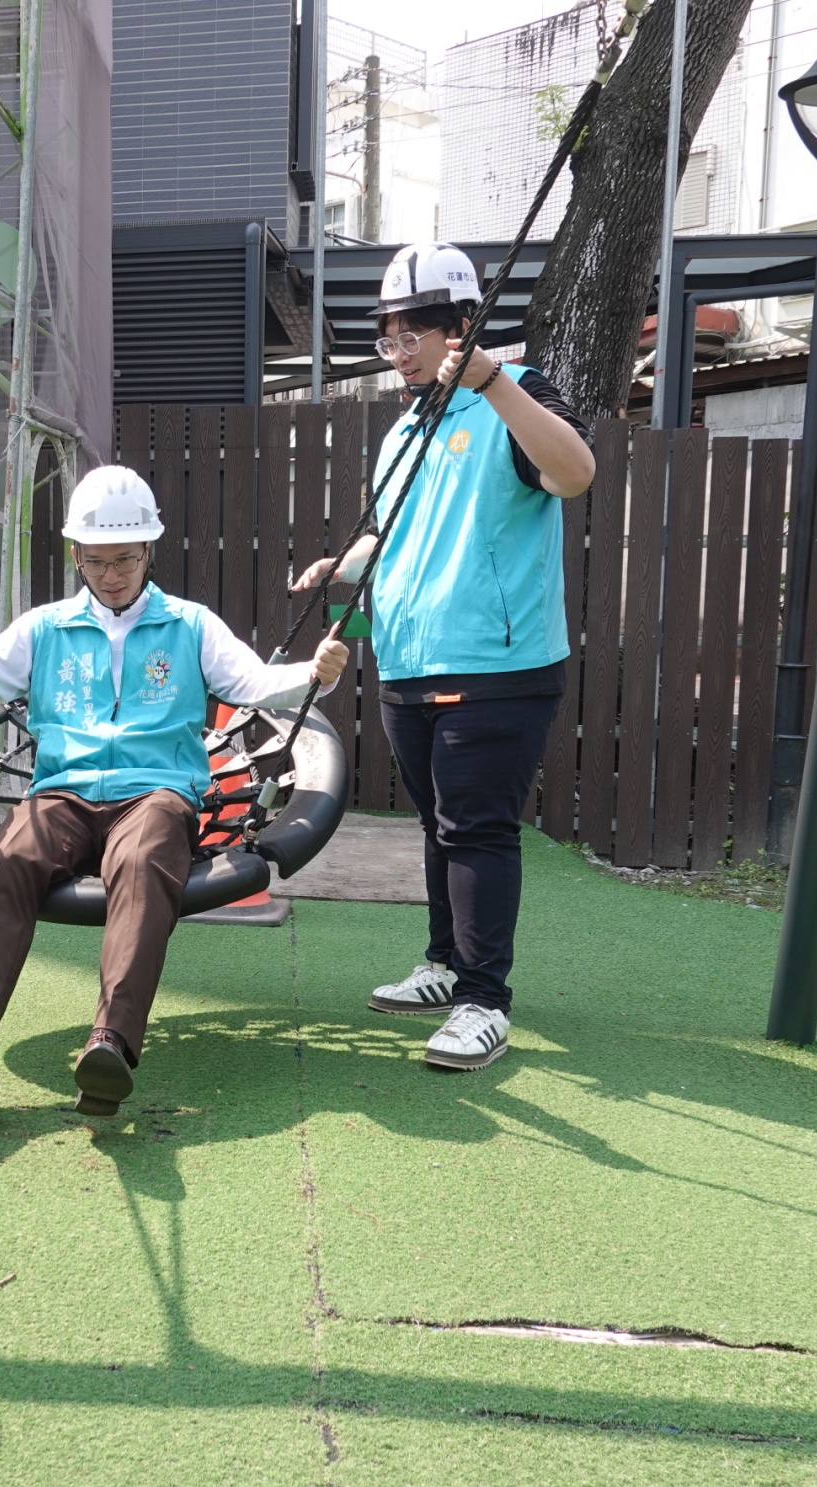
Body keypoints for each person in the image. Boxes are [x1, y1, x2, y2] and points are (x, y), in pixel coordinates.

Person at [0, 466, 349, 1115]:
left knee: (144, 859)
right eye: (96, 561)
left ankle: (110, 1045)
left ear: (149, 550)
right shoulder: (45, 628)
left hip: (156, 793)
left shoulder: (191, 625)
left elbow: (255, 684)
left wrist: (315, 673)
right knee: (6, 860)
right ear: (76, 557)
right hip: (62, 794)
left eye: (125, 559)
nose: (111, 574)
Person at [294, 242, 594, 1072]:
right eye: (388, 338)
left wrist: (493, 381)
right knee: (438, 826)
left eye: (412, 336)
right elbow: (397, 534)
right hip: (408, 662)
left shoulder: (518, 392)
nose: (397, 354)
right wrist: (343, 562)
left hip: (496, 665)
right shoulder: (406, 428)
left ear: (462, 324)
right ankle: (444, 965)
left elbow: (575, 473)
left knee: (476, 828)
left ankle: (483, 1000)